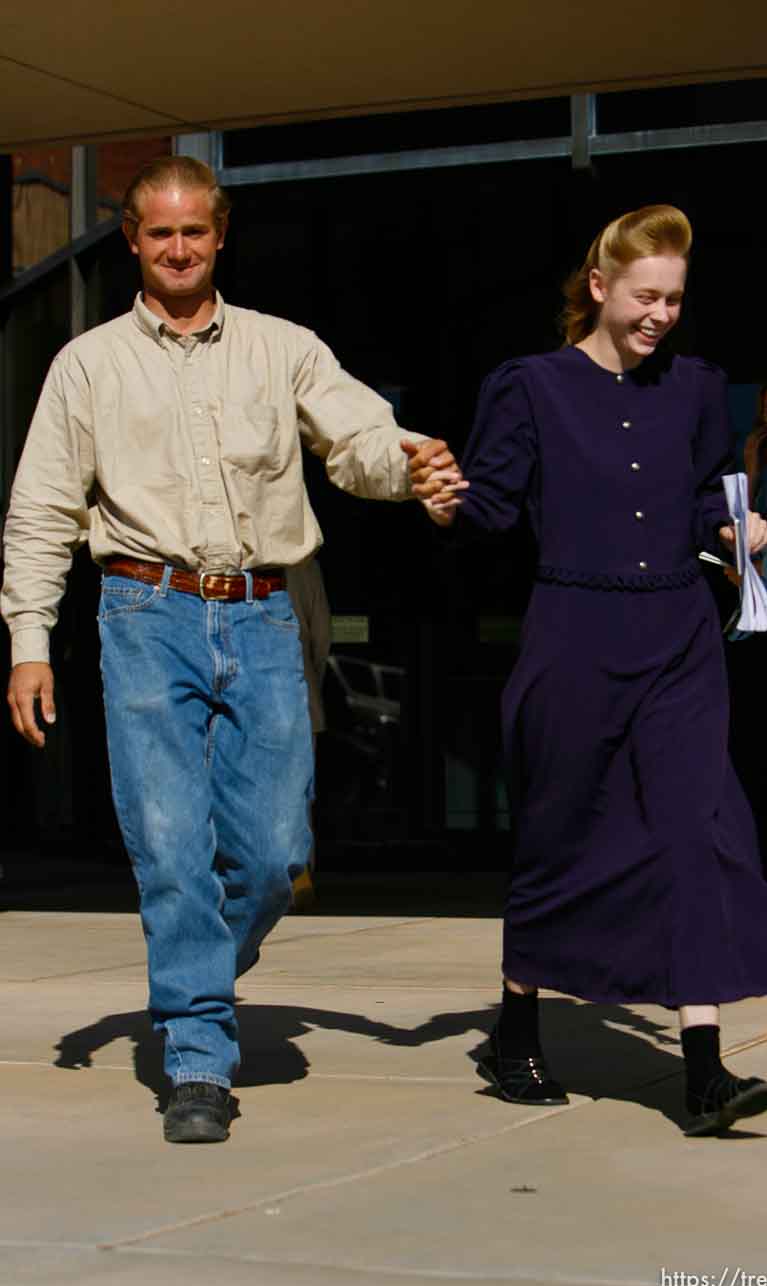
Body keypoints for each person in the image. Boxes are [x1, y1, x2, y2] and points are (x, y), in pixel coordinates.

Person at [2, 155, 462, 1144]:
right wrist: (28, 639)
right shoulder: (86, 365)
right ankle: (198, 1058)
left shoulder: (282, 348)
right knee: (169, 848)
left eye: (194, 232)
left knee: (272, 855)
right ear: (132, 239)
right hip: (141, 611)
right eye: (159, 232)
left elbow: (357, 442)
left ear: (219, 237)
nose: (177, 249)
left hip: (261, 614)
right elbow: (40, 510)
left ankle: (201, 963)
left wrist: (410, 465)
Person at [428, 205, 767, 1136]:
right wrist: (441, 500)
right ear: (598, 288)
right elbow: (491, 509)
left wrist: (733, 530)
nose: (660, 314)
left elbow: (697, 507)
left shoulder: (696, 390)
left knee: (693, 833)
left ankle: (706, 1072)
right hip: (574, 632)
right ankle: (517, 1030)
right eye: (645, 295)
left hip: (678, 637)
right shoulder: (530, 387)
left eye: (673, 298)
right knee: (562, 833)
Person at [725, 377, 767, 903]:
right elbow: (742, 532)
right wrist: (751, 463)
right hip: (752, 636)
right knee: (749, 770)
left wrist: (744, 562)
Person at [284, 555, 331, 910]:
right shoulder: (302, 564)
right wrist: (311, 679)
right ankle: (298, 873)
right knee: (297, 792)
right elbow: (320, 635)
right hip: (298, 690)